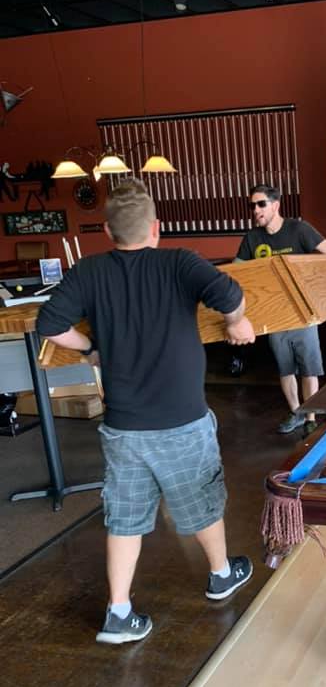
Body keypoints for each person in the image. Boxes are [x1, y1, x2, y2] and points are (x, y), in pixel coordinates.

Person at [36, 179, 257, 645]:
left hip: (124, 426)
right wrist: (238, 324)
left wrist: (90, 348)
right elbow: (232, 297)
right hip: (183, 420)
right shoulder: (179, 262)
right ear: (156, 227)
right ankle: (220, 575)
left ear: (108, 231)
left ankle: (118, 612)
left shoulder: (89, 271)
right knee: (200, 501)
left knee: (125, 516)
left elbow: (49, 324)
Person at [235, 184, 326, 434]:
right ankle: (296, 412)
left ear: (276, 205)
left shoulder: (298, 229)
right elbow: (236, 273)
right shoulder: (252, 238)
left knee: (309, 368)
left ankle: (310, 417)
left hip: (303, 313)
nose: (255, 210)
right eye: (252, 205)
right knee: (285, 368)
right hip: (274, 315)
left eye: (261, 204)